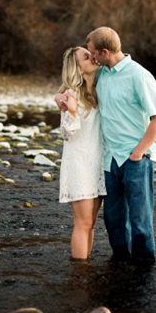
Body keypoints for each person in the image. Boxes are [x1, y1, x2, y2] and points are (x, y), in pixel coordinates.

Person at [58, 27, 156, 266]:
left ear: (104, 52)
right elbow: (72, 88)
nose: (92, 56)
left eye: (93, 53)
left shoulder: (139, 75)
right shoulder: (102, 74)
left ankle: (142, 272)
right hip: (109, 161)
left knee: (140, 221)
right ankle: (119, 268)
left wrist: (138, 153)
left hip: (136, 158)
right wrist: (61, 99)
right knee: (113, 221)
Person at [57, 46, 107, 261]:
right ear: (77, 68)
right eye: (87, 57)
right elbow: (67, 134)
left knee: (92, 224)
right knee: (83, 223)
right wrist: (73, 111)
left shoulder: (99, 88)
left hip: (98, 165)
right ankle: (79, 273)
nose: (93, 57)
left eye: (92, 54)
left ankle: (85, 264)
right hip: (80, 166)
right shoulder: (71, 95)